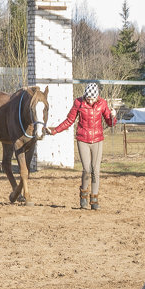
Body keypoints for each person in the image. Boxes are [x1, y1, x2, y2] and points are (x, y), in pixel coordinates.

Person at [48, 81, 116, 210]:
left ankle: (94, 199)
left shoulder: (102, 103)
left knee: (96, 170)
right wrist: (55, 130)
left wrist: (113, 116)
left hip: (97, 139)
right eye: (88, 98)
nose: (90, 101)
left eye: (92, 99)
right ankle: (83, 195)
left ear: (97, 97)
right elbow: (69, 120)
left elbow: (110, 122)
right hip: (82, 139)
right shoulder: (78, 103)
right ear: (85, 96)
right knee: (86, 169)